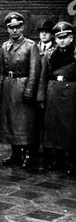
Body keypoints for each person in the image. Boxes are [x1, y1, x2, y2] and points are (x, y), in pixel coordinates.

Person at [0, 12, 41, 169]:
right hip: (8, 86)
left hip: (22, 85)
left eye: (17, 27)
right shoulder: (4, 46)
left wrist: (29, 90)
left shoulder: (30, 46)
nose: (14, 30)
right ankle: (15, 154)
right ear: (8, 29)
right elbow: (2, 71)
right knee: (11, 121)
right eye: (11, 28)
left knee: (25, 122)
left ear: (22, 28)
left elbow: (34, 71)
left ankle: (29, 155)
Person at [37, 21, 76, 176]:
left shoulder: (74, 54)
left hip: (71, 93)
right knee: (54, 127)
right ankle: (58, 159)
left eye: (65, 37)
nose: (61, 40)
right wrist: (41, 97)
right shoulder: (50, 54)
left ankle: (72, 160)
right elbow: (43, 77)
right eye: (59, 37)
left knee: (70, 127)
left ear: (71, 38)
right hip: (53, 92)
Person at [36, 20, 55, 165]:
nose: (43, 34)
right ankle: (34, 151)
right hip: (33, 88)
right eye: (41, 31)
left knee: (48, 121)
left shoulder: (55, 50)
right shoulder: (34, 48)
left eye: (46, 32)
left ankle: (49, 153)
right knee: (33, 121)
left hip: (49, 90)